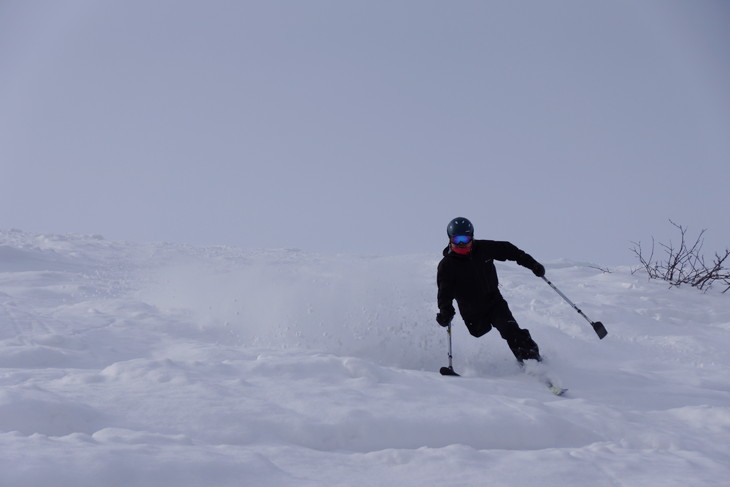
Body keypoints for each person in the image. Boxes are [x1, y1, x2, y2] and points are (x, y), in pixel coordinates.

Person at [436, 217, 546, 364]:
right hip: (471, 310)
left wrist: (532, 264)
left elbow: (509, 250)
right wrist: (445, 312)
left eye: (465, 238)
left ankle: (533, 362)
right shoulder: (447, 265)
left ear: (472, 237)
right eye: (457, 239)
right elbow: (444, 293)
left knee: (510, 329)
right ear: (450, 239)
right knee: (478, 331)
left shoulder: (483, 248)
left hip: (494, 302)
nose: (461, 243)